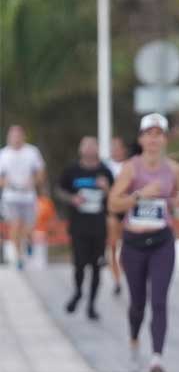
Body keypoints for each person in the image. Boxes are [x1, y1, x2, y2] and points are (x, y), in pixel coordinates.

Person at [108, 113, 179, 372]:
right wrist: (140, 194)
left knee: (160, 300)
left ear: (164, 139)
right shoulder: (131, 168)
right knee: (138, 304)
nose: (153, 139)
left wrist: (178, 201)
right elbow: (113, 203)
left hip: (162, 241)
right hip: (134, 244)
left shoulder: (174, 168)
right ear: (141, 138)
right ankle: (133, 342)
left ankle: (157, 358)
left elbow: (177, 198)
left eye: (159, 134)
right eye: (149, 134)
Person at [56, 136, 114, 320]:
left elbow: (116, 196)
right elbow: (59, 190)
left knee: (97, 266)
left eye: (92, 145)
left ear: (97, 148)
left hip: (98, 225)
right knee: (79, 264)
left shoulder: (105, 170)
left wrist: (106, 189)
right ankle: (78, 292)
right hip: (78, 225)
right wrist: (72, 199)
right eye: (85, 146)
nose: (89, 149)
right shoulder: (72, 170)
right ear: (81, 149)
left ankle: (92, 305)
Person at [0, 125, 46, 268]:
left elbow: (40, 172)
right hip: (11, 196)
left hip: (28, 196)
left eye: (18, 135)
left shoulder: (32, 152)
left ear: (23, 136)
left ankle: (28, 240)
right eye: (13, 136)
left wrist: (34, 181)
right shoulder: (4, 154)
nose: (15, 138)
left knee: (28, 227)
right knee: (14, 225)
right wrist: (5, 183)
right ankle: (18, 256)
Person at [104, 136, 130, 295]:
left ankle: (125, 271)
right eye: (112, 147)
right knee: (112, 245)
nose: (115, 150)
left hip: (128, 210)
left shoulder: (130, 166)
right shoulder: (105, 167)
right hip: (112, 210)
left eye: (117, 147)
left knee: (127, 245)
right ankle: (116, 279)